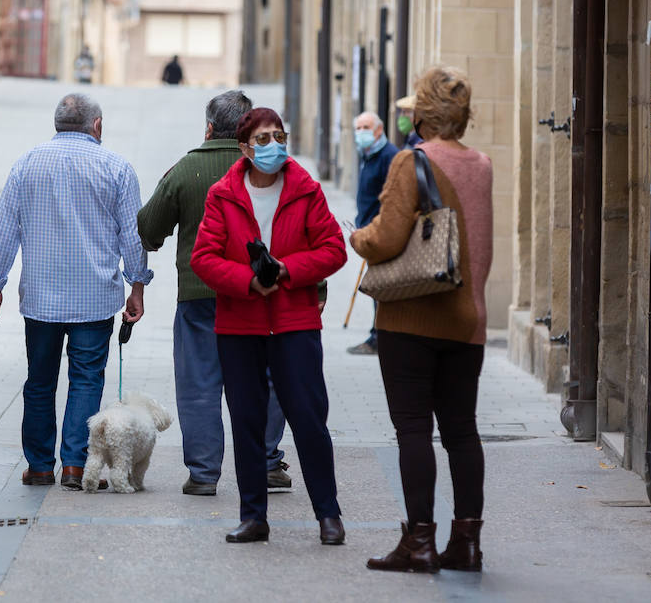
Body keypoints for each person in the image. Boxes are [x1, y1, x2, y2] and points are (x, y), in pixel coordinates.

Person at [351, 66, 492, 574]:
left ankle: (420, 542)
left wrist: (358, 237)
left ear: (424, 114)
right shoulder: (482, 164)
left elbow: (387, 239)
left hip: (411, 318)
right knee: (462, 430)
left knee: (413, 429)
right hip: (467, 318)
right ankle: (468, 543)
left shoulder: (412, 162)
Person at [0, 93, 151, 490]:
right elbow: (133, 236)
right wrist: (136, 286)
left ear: (56, 124)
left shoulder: (26, 164)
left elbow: (5, 229)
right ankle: (75, 466)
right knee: (87, 379)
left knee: (39, 381)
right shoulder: (117, 168)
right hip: (94, 298)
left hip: (41, 298)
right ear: (98, 126)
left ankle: (39, 466)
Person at [190, 107, 348, 546]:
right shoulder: (223, 194)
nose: (273, 145)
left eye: (279, 135)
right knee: (246, 421)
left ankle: (328, 514)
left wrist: (285, 270)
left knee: (308, 418)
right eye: (262, 139)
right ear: (243, 148)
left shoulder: (305, 189)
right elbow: (203, 257)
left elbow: (334, 249)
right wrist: (246, 281)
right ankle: (253, 516)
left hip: (294, 322)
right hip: (240, 325)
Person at [137, 91, 293, 497]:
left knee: (200, 384)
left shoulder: (187, 168)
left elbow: (149, 229)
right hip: (263, 296)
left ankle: (205, 474)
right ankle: (266, 461)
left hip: (200, 296)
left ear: (209, 127)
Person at [346, 111, 399, 356]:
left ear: (379, 130)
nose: (361, 132)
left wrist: (375, 227)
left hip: (379, 233)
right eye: (358, 128)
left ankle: (380, 337)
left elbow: (391, 199)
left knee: (380, 286)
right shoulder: (368, 154)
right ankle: (379, 334)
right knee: (377, 285)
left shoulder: (389, 156)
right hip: (367, 231)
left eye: (366, 127)